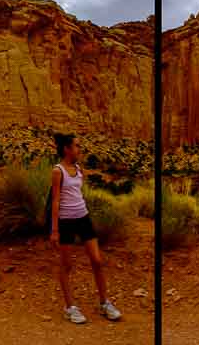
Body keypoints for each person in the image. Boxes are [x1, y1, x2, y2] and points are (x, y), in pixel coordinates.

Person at [49, 134, 122, 324]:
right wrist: (54, 230)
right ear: (66, 149)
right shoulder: (58, 171)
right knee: (67, 265)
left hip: (83, 218)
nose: (79, 149)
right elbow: (55, 201)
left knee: (97, 261)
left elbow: (78, 193)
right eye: (76, 146)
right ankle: (70, 307)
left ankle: (104, 303)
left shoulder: (79, 169)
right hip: (65, 221)